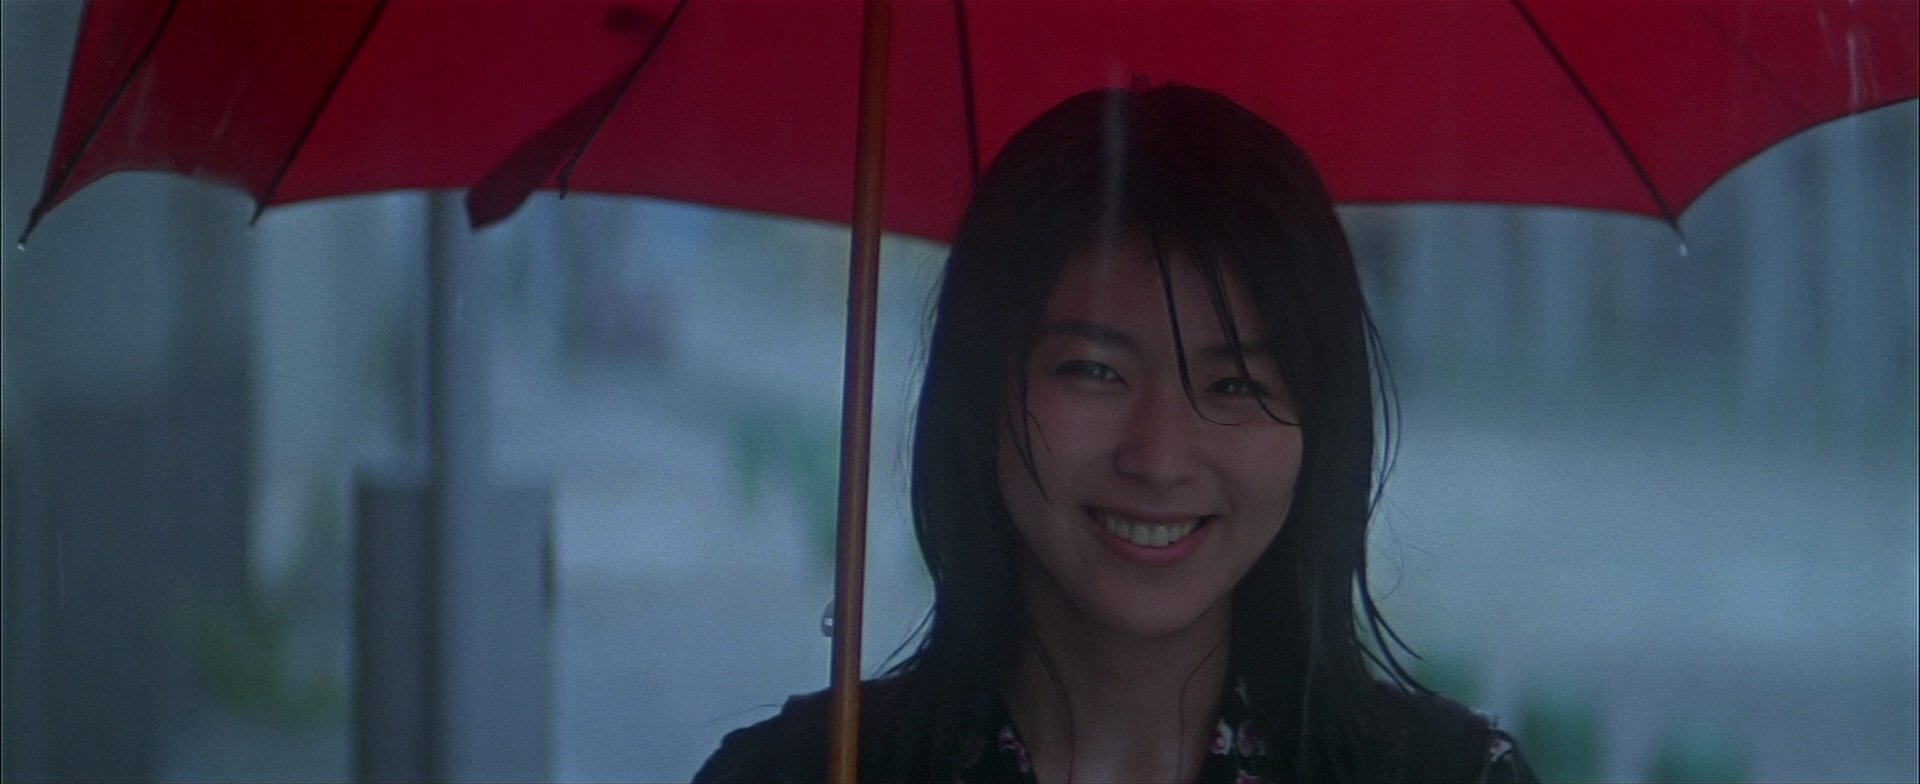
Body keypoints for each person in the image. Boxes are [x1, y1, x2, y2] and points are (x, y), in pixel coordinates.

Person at [695, 83, 1535, 784]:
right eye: (1094, 371)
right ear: (980, 391)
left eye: (1236, 385)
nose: (1159, 457)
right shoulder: (802, 773)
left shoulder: (1449, 777)